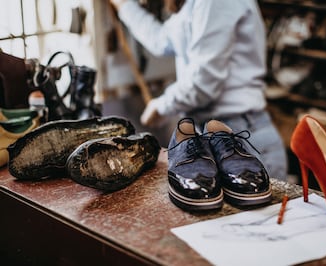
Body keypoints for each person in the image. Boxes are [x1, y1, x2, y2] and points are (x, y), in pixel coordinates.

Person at [110, 0, 288, 180]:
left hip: (241, 136)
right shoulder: (194, 4)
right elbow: (161, 40)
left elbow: (204, 82)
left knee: (261, 209)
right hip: (212, 134)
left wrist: (162, 105)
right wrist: (125, 5)